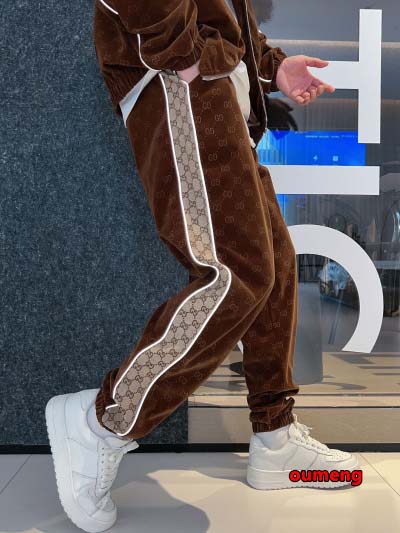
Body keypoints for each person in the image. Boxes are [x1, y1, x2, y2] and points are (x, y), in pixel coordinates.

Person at [45, 1, 360, 531]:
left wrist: (270, 66)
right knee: (237, 274)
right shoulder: (187, 65)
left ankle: (275, 438)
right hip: (182, 85)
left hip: (216, 92)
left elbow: (226, 15)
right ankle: (103, 422)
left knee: (274, 267)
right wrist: (185, 57)